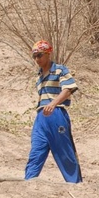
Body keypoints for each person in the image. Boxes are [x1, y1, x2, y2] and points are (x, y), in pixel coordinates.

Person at [24, 40, 82, 183]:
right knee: (36, 150)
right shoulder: (38, 77)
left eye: (40, 55)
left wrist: (53, 103)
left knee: (64, 151)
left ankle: (74, 183)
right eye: (35, 56)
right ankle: (29, 181)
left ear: (48, 54)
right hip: (40, 116)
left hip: (56, 114)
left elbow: (68, 89)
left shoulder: (60, 70)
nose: (37, 59)